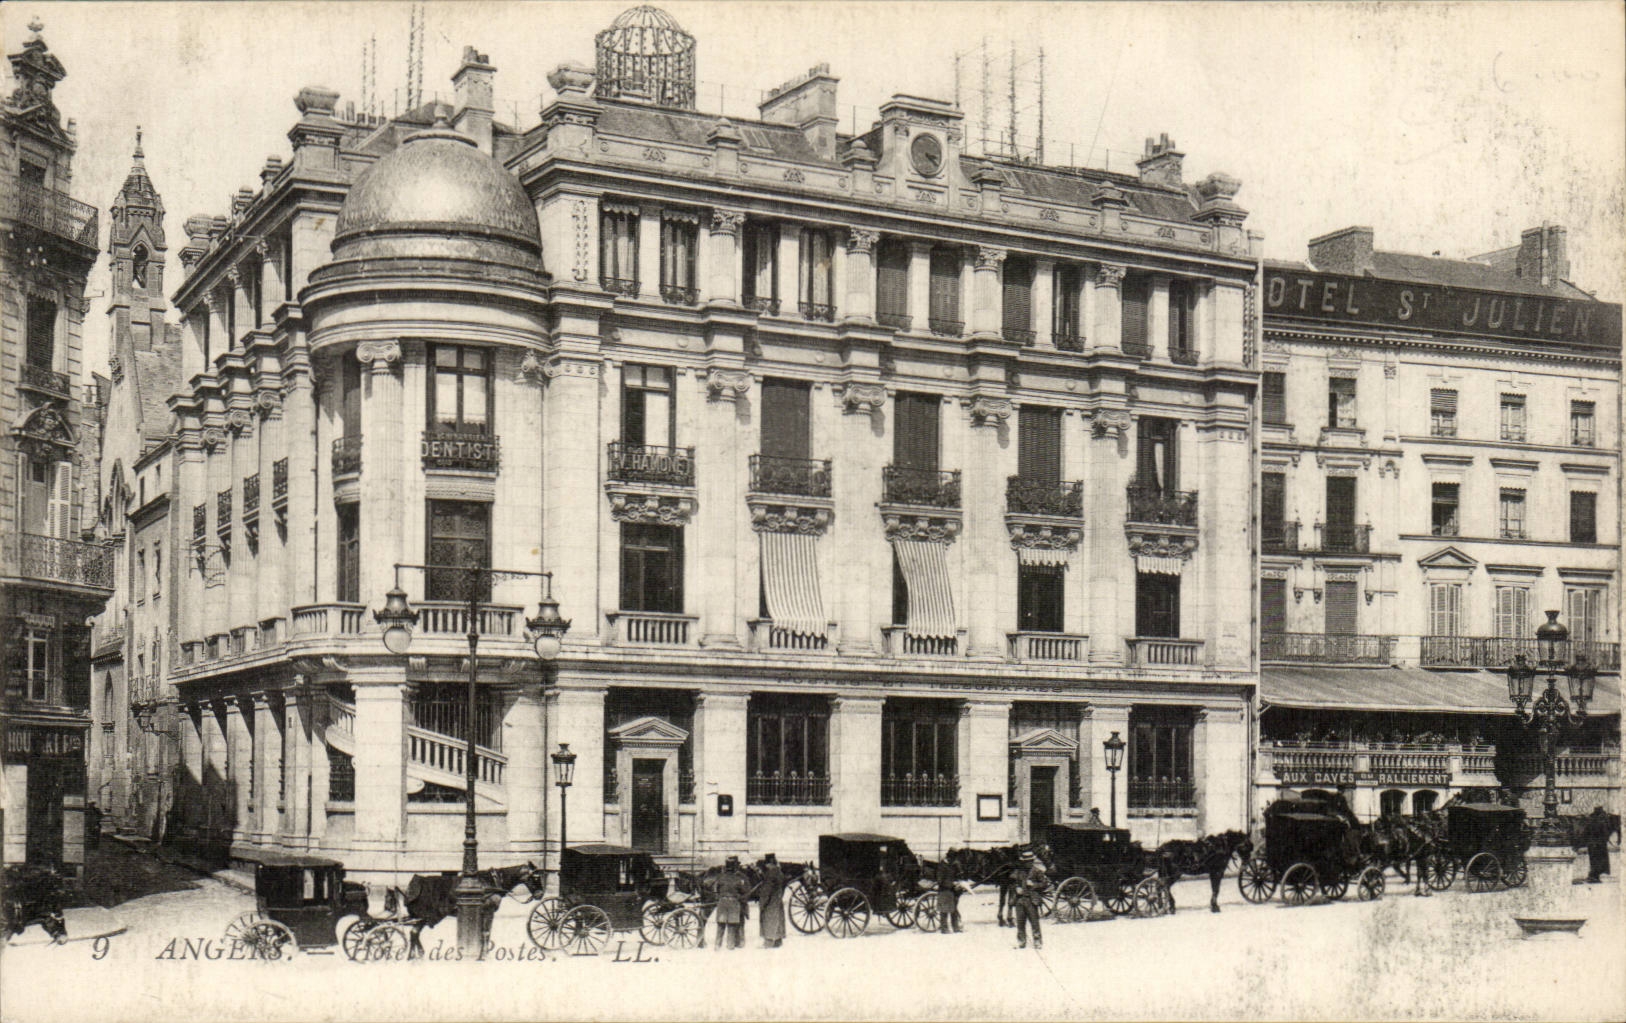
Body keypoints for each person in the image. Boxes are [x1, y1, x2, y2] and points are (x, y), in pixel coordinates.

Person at [1012, 848, 1046, 951]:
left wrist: (1034, 885)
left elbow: (1044, 884)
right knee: (1020, 922)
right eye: (1025, 862)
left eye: (1029, 861)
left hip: (1032, 900)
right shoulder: (1019, 872)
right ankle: (1021, 942)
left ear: (1032, 861)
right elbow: (1013, 882)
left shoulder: (1037, 871)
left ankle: (1037, 942)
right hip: (1020, 900)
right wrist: (1016, 888)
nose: (1027, 863)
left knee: (1034, 922)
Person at [714, 856, 749, 950]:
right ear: (734, 868)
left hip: (722, 902)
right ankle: (730, 945)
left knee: (720, 925)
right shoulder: (738, 879)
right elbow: (744, 891)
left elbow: (716, 889)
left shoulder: (720, 877)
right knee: (731, 925)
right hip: (734, 903)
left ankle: (717, 945)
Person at [757, 853, 787, 948]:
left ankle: (768, 942)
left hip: (770, 903)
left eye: (767, 864)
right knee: (778, 920)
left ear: (769, 863)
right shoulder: (780, 872)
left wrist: (762, 903)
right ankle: (778, 941)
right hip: (778, 901)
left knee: (768, 919)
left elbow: (766, 891)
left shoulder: (770, 874)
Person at [935, 856, 963, 934]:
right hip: (944, 891)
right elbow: (940, 881)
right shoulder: (942, 867)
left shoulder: (952, 865)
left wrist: (957, 883)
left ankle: (956, 928)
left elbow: (955, 876)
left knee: (953, 910)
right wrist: (951, 884)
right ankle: (944, 929)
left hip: (952, 891)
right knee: (944, 910)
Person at [1585, 806, 1613, 883]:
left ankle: (1595, 875)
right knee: (1595, 859)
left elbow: (1607, 829)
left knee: (1597, 860)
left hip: (1598, 843)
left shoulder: (1601, 817)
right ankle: (1594, 875)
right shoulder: (1600, 817)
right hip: (1596, 842)